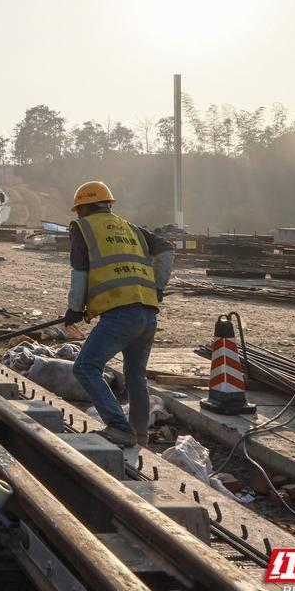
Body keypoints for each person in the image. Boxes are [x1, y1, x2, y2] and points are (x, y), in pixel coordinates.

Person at [63, 180, 175, 448]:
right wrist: (157, 288)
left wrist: (74, 309)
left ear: (85, 208)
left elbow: (80, 273)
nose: (78, 215)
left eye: (79, 210)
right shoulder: (131, 229)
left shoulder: (84, 228)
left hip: (120, 315)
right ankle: (140, 437)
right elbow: (168, 248)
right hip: (147, 314)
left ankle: (118, 427)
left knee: (86, 367)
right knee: (135, 375)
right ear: (108, 204)